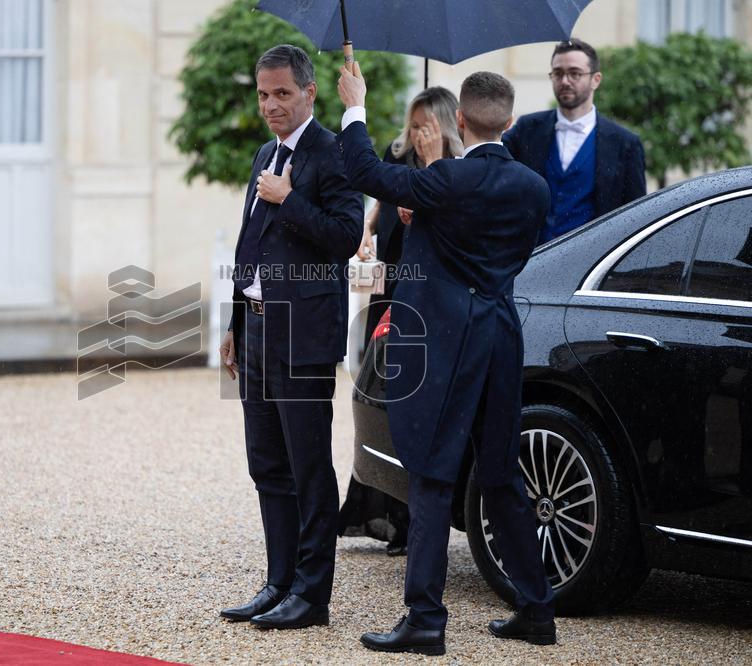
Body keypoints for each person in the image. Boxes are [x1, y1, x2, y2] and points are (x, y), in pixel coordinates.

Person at [337, 64, 556, 655]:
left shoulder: (446, 181)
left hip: (446, 343)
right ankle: (537, 611)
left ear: (459, 119)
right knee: (502, 473)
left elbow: (364, 170)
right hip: (501, 338)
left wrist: (355, 105)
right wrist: (428, 210)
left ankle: (426, 620)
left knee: (432, 476)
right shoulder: (535, 188)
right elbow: (489, 249)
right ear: (509, 121)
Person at [218, 44, 363, 631]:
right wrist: (232, 323)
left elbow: (347, 235)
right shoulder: (263, 153)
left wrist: (291, 200)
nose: (270, 105)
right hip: (254, 334)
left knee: (308, 467)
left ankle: (312, 594)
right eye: (262, 94)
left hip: (304, 336)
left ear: (309, 92)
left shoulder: (334, 155)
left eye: (281, 93)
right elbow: (249, 242)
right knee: (266, 464)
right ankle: (278, 583)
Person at [339, 87, 463, 557]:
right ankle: (390, 517)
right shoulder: (401, 163)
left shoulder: (454, 173)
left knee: (412, 405)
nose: (412, 134)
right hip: (386, 294)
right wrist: (366, 235)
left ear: (445, 125)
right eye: (411, 125)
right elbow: (376, 214)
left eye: (422, 126)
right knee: (379, 402)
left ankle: (416, 521)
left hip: (424, 303)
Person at [503, 38, 646, 245]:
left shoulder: (626, 144)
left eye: (575, 73)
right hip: (530, 261)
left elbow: (636, 215)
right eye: (558, 73)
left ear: (596, 79)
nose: (565, 81)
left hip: (592, 264)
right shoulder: (527, 129)